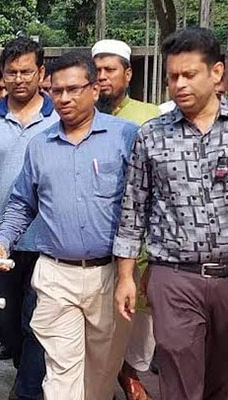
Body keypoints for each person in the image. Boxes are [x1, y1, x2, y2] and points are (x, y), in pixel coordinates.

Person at [0, 51, 137, 400]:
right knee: (60, 379)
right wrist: (3, 239)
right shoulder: (40, 145)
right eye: (57, 91)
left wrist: (132, 273)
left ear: (94, 89)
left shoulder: (126, 137)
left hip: (109, 275)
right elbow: (22, 203)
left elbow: (140, 204)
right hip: (56, 276)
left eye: (73, 89)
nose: (65, 98)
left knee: (101, 376)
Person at [113, 27, 228, 400]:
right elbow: (134, 208)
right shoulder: (152, 136)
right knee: (178, 380)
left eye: (189, 75)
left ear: (217, 73)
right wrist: (126, 277)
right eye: (172, 77)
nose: (178, 85)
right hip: (174, 277)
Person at [0, 37, 59, 400]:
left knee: (36, 324)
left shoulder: (59, 116)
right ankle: (24, 374)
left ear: (41, 73)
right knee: (6, 327)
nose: (20, 78)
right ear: (2, 75)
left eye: (27, 71)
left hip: (47, 243)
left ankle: (27, 388)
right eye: (12, 72)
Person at [92, 38, 161, 400]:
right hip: (96, 242)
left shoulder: (150, 118)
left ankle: (130, 373)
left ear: (128, 73)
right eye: (97, 71)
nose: (103, 78)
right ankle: (114, 380)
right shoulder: (81, 116)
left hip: (142, 245)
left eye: (110, 70)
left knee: (140, 321)